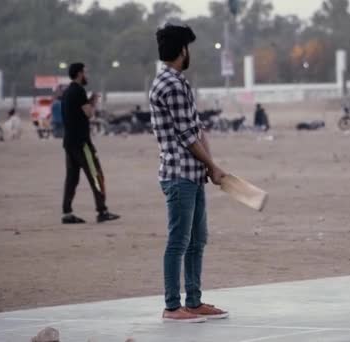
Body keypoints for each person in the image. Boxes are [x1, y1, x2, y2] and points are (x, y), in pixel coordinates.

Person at [149, 24, 229, 323]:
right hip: (179, 174)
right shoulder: (171, 84)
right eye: (188, 47)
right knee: (179, 242)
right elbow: (186, 135)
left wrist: (209, 165)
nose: (189, 52)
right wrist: (212, 165)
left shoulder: (176, 81)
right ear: (182, 50)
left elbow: (197, 129)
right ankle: (173, 306)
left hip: (191, 174)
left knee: (197, 241)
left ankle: (193, 303)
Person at [61, 62, 120, 224]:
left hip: (69, 142)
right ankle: (102, 211)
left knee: (72, 179)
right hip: (82, 143)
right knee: (96, 175)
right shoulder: (79, 91)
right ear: (79, 74)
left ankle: (67, 213)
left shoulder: (67, 92)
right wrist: (93, 101)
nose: (87, 75)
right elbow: (89, 114)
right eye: (85, 72)